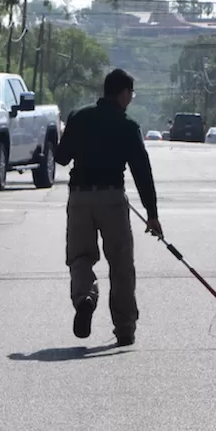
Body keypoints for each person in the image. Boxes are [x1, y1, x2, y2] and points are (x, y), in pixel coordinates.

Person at [55, 69, 163, 346]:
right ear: (123, 94)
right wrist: (151, 215)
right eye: (131, 94)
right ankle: (125, 328)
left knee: (80, 257)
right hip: (112, 199)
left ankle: (85, 297)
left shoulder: (78, 117)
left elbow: (62, 158)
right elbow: (142, 171)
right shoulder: (127, 126)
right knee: (121, 263)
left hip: (79, 198)